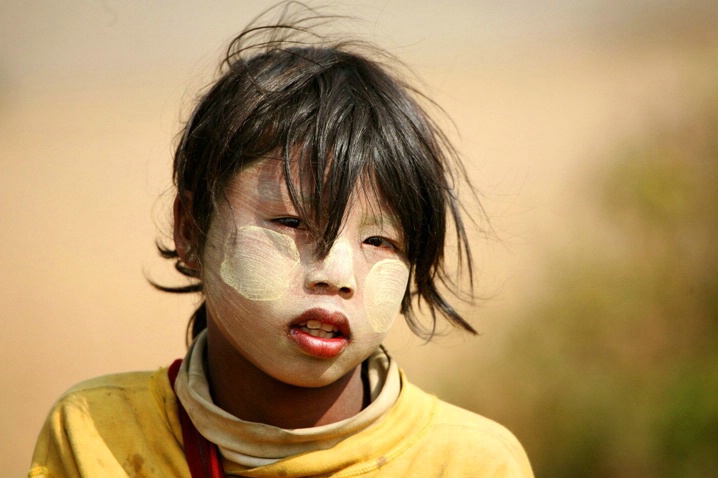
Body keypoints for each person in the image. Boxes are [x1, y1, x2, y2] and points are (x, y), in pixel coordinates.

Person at [29, 5, 533, 477]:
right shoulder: (95, 435)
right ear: (190, 230)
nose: (336, 275)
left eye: (379, 240)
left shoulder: (471, 461)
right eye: (291, 223)